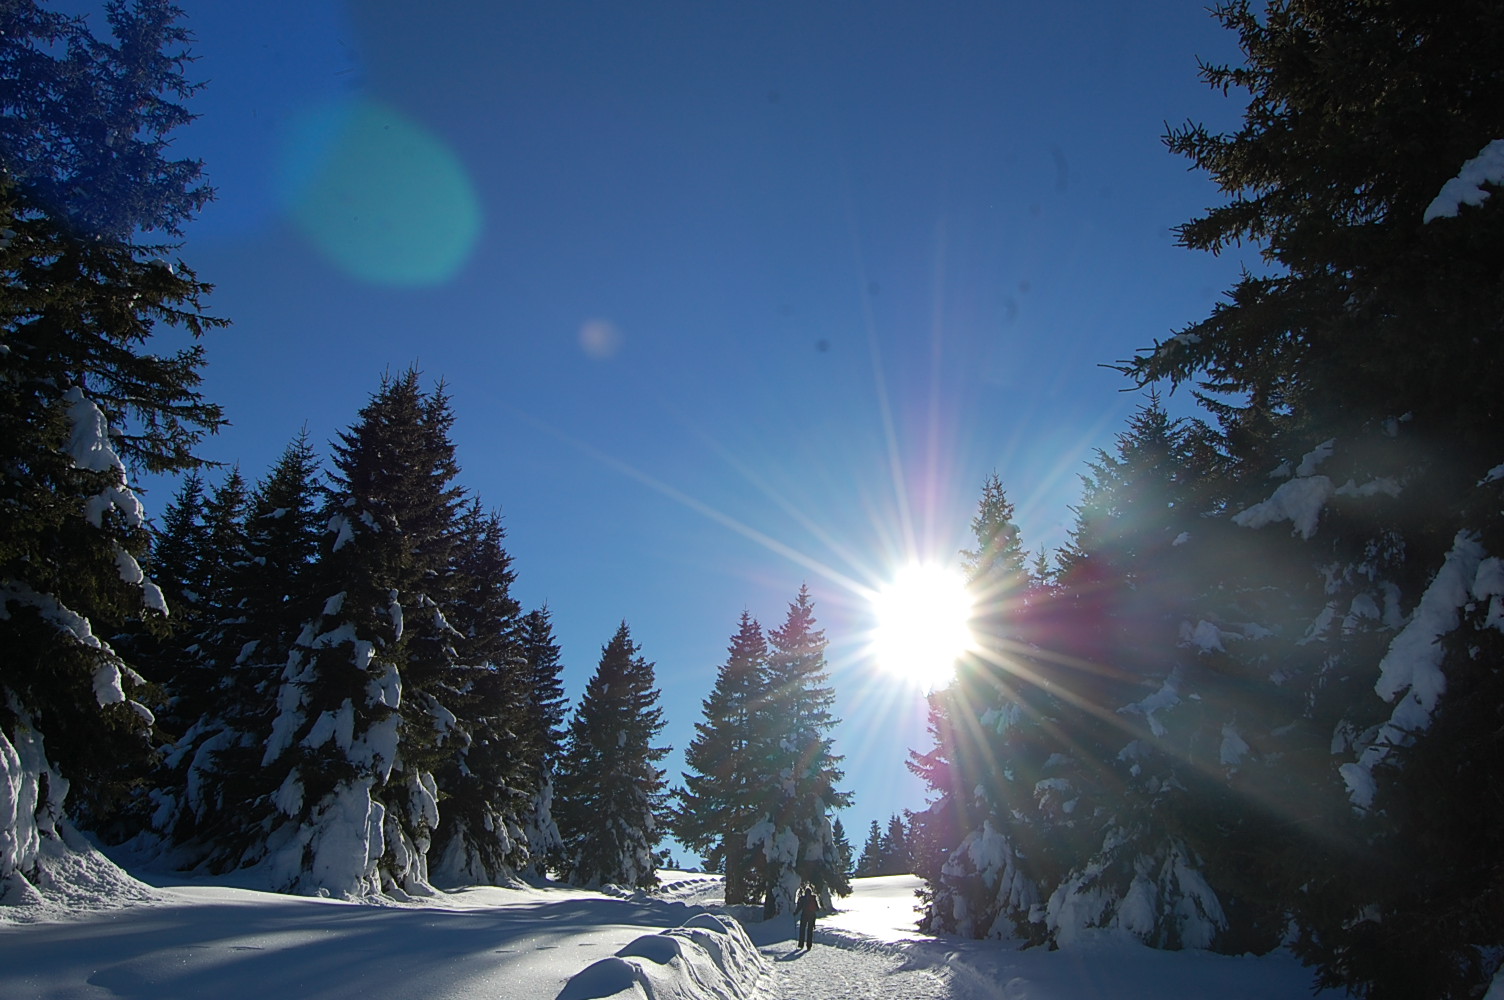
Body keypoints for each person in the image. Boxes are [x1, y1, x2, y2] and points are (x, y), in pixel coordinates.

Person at [796, 885, 819, 950]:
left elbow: (799, 907)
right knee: (810, 931)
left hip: (804, 915)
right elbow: (817, 908)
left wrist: (795, 913)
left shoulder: (803, 899)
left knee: (802, 930)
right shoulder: (813, 898)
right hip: (812, 916)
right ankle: (809, 945)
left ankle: (801, 944)